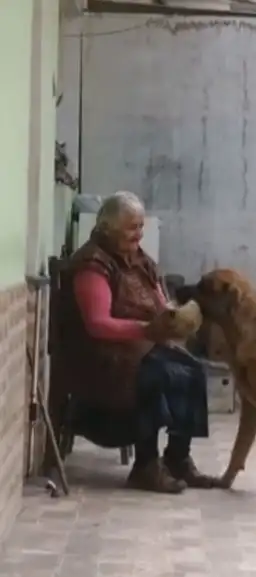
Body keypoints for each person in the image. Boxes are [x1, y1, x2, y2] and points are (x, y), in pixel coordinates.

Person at [64, 191, 215, 493]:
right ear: (108, 228)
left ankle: (178, 458)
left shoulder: (139, 258)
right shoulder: (93, 263)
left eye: (140, 226)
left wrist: (174, 319)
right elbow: (97, 324)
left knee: (192, 369)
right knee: (156, 373)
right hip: (103, 354)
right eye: (131, 227)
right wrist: (146, 330)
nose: (139, 234)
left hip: (141, 345)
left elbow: (160, 303)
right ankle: (146, 465)